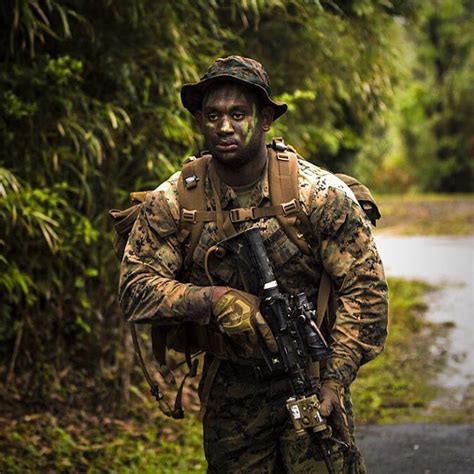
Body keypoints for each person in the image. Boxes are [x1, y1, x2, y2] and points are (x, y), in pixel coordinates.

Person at [119, 55, 388, 473]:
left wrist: (335, 379)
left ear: (264, 119)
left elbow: (365, 291)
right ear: (200, 121)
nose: (224, 127)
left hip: (313, 377)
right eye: (213, 115)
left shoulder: (317, 194)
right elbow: (135, 287)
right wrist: (214, 300)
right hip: (232, 388)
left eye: (238, 114)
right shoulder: (176, 201)